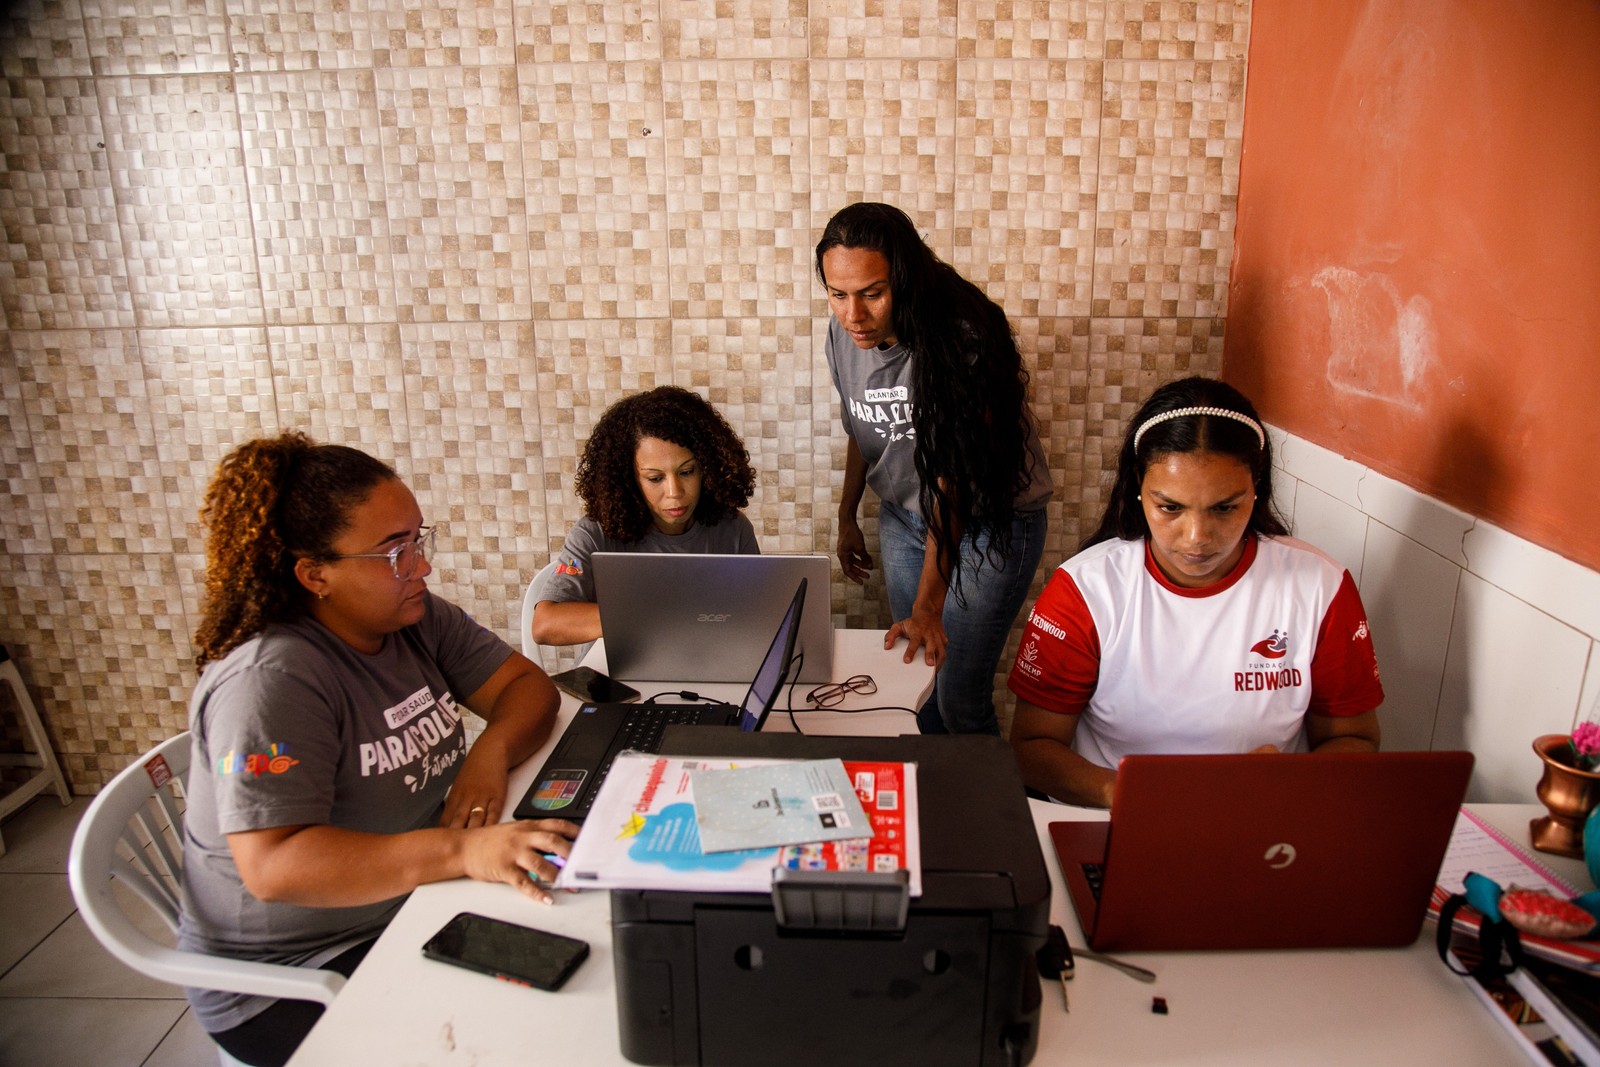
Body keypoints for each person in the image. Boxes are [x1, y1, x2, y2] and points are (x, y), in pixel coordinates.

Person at [179, 432, 578, 1067]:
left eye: (419, 540)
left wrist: (490, 751)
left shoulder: (413, 618)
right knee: (521, 1039)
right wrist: (463, 850)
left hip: (410, 899)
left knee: (579, 970)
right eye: (396, 553)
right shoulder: (270, 680)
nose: (421, 567)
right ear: (316, 575)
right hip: (293, 972)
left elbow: (528, 689)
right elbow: (274, 866)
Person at [1007, 376, 1383, 807]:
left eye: (1225, 508)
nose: (1197, 538)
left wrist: (1289, 780)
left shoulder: (1321, 587)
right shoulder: (1086, 590)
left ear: (1256, 492)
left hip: (1263, 823)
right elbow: (1033, 746)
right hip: (1113, 822)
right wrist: (1126, 792)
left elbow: (1353, 737)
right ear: (1138, 493)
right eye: (1170, 508)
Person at [816, 201, 1052, 736]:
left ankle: (981, 818)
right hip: (905, 518)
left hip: (988, 522)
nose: (854, 315)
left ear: (906, 278)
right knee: (918, 692)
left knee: (959, 698)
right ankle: (931, 810)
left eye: (872, 293)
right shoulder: (844, 335)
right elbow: (861, 423)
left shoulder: (960, 339)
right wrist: (847, 513)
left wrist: (928, 605)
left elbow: (952, 484)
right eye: (838, 294)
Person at [530, 385, 760, 647]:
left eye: (686, 472)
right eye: (655, 478)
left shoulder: (733, 529)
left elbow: (758, 618)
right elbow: (545, 625)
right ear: (630, 480)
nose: (674, 492)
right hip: (619, 683)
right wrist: (655, 617)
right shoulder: (595, 533)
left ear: (707, 467)